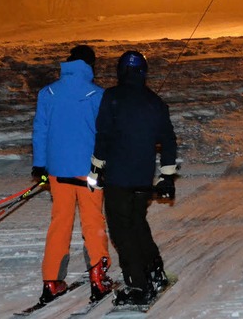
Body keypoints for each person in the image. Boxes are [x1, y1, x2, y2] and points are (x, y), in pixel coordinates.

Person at [88, 51, 178, 307]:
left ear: (121, 71)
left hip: (119, 177)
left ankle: (138, 285)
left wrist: (96, 167)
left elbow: (103, 135)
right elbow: (169, 140)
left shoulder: (112, 97)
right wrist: (167, 176)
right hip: (142, 176)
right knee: (137, 223)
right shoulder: (155, 102)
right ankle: (154, 270)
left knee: (121, 230)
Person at [31, 45, 112, 305]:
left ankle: (52, 280)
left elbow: (40, 130)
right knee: (93, 223)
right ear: (90, 65)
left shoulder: (48, 93)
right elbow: (104, 135)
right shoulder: (97, 95)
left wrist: (39, 165)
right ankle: (98, 278)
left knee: (60, 222)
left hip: (57, 171)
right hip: (89, 171)